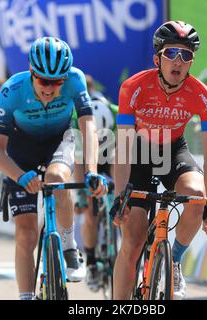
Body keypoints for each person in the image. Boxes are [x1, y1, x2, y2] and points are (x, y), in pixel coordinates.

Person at [0, 37, 107, 300]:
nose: (50, 88)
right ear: (31, 73)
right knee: (26, 235)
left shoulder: (75, 80)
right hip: (21, 154)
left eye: (57, 82)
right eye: (43, 81)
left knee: (56, 178)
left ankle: (68, 245)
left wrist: (90, 170)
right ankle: (26, 296)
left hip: (59, 143)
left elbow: (88, 128)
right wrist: (19, 175)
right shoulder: (12, 90)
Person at [111, 21, 207, 300]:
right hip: (138, 153)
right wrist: (120, 194)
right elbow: (123, 147)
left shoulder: (204, 95)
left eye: (186, 56)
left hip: (173, 151)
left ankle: (174, 260)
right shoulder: (133, 87)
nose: (178, 61)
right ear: (157, 58)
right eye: (172, 53)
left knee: (197, 197)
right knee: (133, 244)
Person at [71, 76, 118, 292]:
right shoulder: (77, 121)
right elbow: (79, 162)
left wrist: (122, 189)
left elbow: (125, 157)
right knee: (91, 211)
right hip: (87, 159)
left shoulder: (116, 114)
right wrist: (81, 195)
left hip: (113, 156)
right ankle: (90, 262)